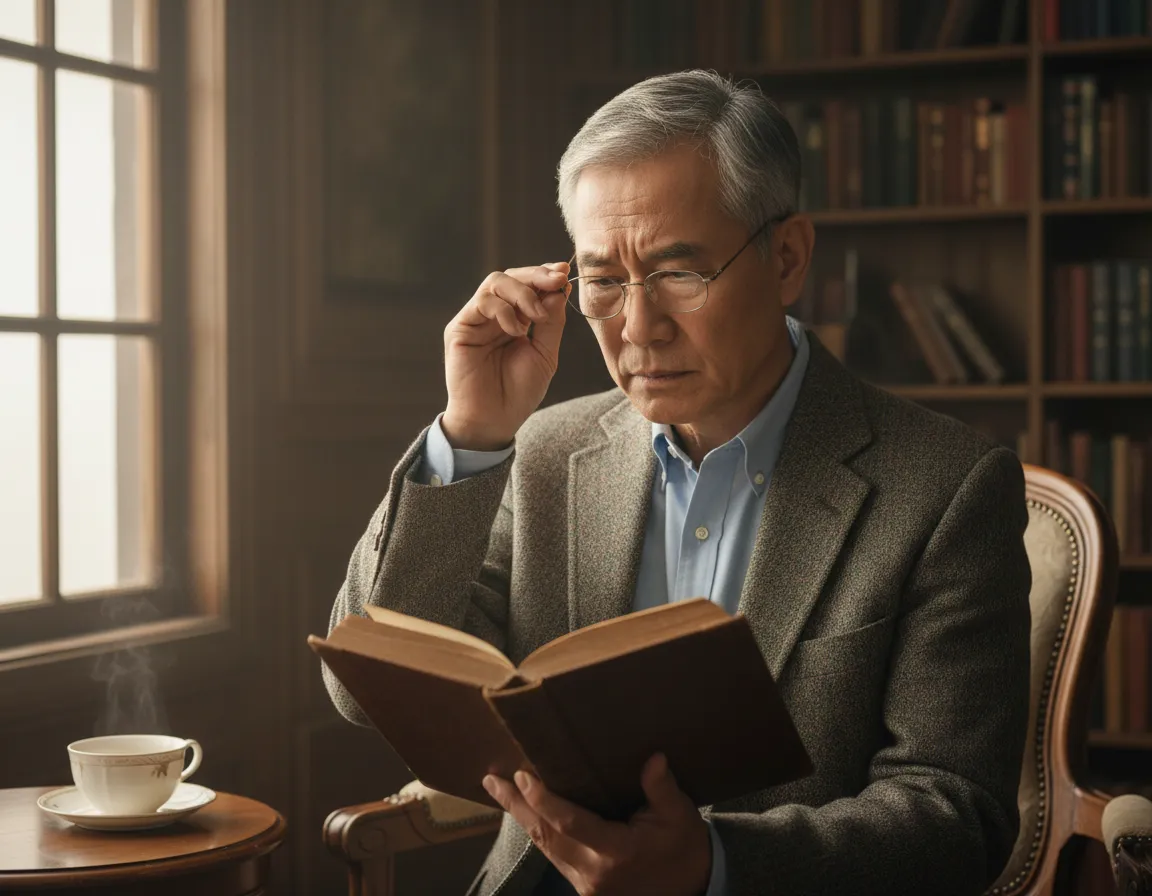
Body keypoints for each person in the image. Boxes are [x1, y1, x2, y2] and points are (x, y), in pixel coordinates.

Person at [323, 70, 1031, 896]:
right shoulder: (547, 452)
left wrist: (712, 867)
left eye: (679, 274)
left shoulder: (945, 487)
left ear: (788, 257)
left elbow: (956, 819)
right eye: (603, 280)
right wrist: (471, 435)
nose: (637, 327)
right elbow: (361, 691)